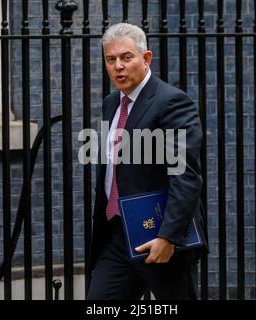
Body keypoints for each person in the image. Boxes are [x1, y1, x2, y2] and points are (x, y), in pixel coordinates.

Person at [87, 22, 208, 300]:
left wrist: (168, 238)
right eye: (111, 59)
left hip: (157, 235)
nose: (118, 66)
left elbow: (185, 175)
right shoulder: (111, 104)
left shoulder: (172, 102)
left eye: (126, 57)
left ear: (146, 58)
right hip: (116, 235)